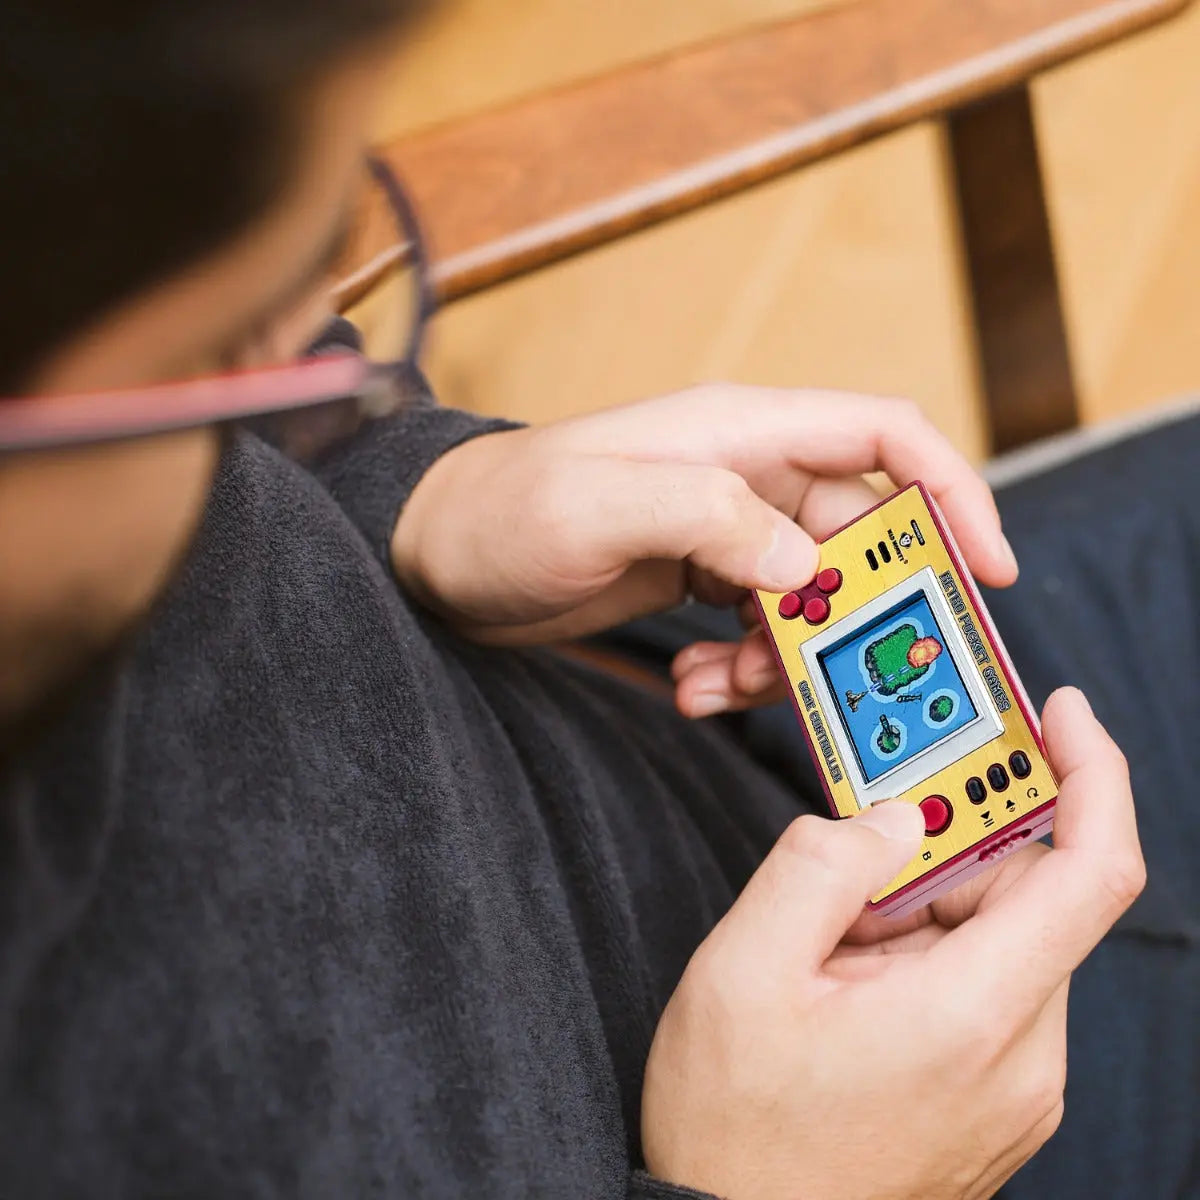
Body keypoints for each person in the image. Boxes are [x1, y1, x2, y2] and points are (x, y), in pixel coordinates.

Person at [0, 1, 1186, 1196]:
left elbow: (268, 379)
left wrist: (415, 490)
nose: (290, 364)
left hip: (751, 739)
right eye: (214, 349)